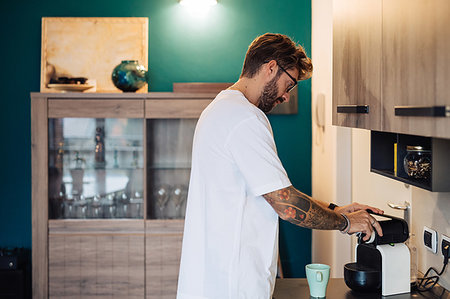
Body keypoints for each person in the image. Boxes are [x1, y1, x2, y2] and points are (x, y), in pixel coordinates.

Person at [176, 33, 384, 299]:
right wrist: (345, 222)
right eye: (289, 84)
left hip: (213, 281)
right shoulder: (245, 118)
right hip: (233, 286)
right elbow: (285, 204)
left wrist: (333, 208)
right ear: (271, 67)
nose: (286, 96)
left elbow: (274, 192)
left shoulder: (220, 109)